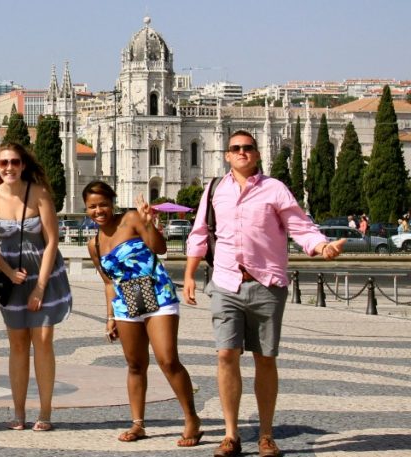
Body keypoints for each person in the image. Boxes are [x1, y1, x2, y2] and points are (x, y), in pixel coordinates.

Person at [183, 130, 345, 457]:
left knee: (265, 358)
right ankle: (230, 435)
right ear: (227, 155)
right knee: (225, 354)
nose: (242, 152)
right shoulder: (214, 190)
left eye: (248, 148)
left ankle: (266, 435)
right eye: (235, 148)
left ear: (256, 154)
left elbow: (301, 226)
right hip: (226, 281)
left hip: (267, 284)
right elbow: (199, 233)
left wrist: (322, 245)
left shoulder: (275, 189)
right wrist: (189, 274)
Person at [83, 181, 202, 447]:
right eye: (92, 206)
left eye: (103, 204)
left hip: (155, 291)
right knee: (135, 365)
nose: (98, 210)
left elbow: (159, 248)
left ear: (112, 202)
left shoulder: (131, 219)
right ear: (86, 209)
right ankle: (138, 424)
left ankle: (191, 418)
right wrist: (110, 316)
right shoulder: (94, 244)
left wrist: (149, 223)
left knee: (168, 359)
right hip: (126, 301)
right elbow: (108, 283)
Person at [0, 142, 72, 432]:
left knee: (43, 341)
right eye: (4, 162)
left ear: (23, 164)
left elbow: (52, 241)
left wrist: (39, 288)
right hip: (11, 280)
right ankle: (18, 412)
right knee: (18, 345)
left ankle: (44, 412)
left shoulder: (39, 194)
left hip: (44, 275)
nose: (9, 167)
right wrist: (7, 271)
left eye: (15, 162)